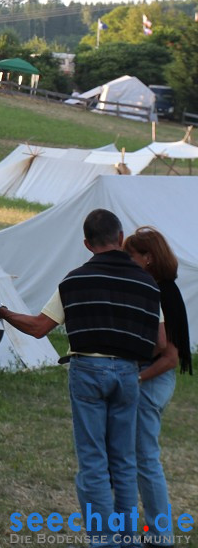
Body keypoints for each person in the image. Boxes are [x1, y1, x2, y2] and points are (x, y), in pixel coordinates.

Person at [0, 209, 166, 545]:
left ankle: (103, 540)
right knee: (124, 461)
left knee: (93, 461)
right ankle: (128, 539)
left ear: (87, 244)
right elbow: (159, 343)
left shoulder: (74, 281)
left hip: (88, 371)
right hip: (127, 373)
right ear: (120, 239)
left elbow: (37, 328)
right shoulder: (148, 284)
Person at [123, 226, 192, 545]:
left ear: (147, 258)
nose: (127, 260)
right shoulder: (166, 289)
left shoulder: (161, 293)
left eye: (131, 255)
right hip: (154, 381)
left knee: (146, 460)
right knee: (143, 459)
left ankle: (160, 535)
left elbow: (170, 356)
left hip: (152, 382)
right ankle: (156, 532)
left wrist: (134, 376)